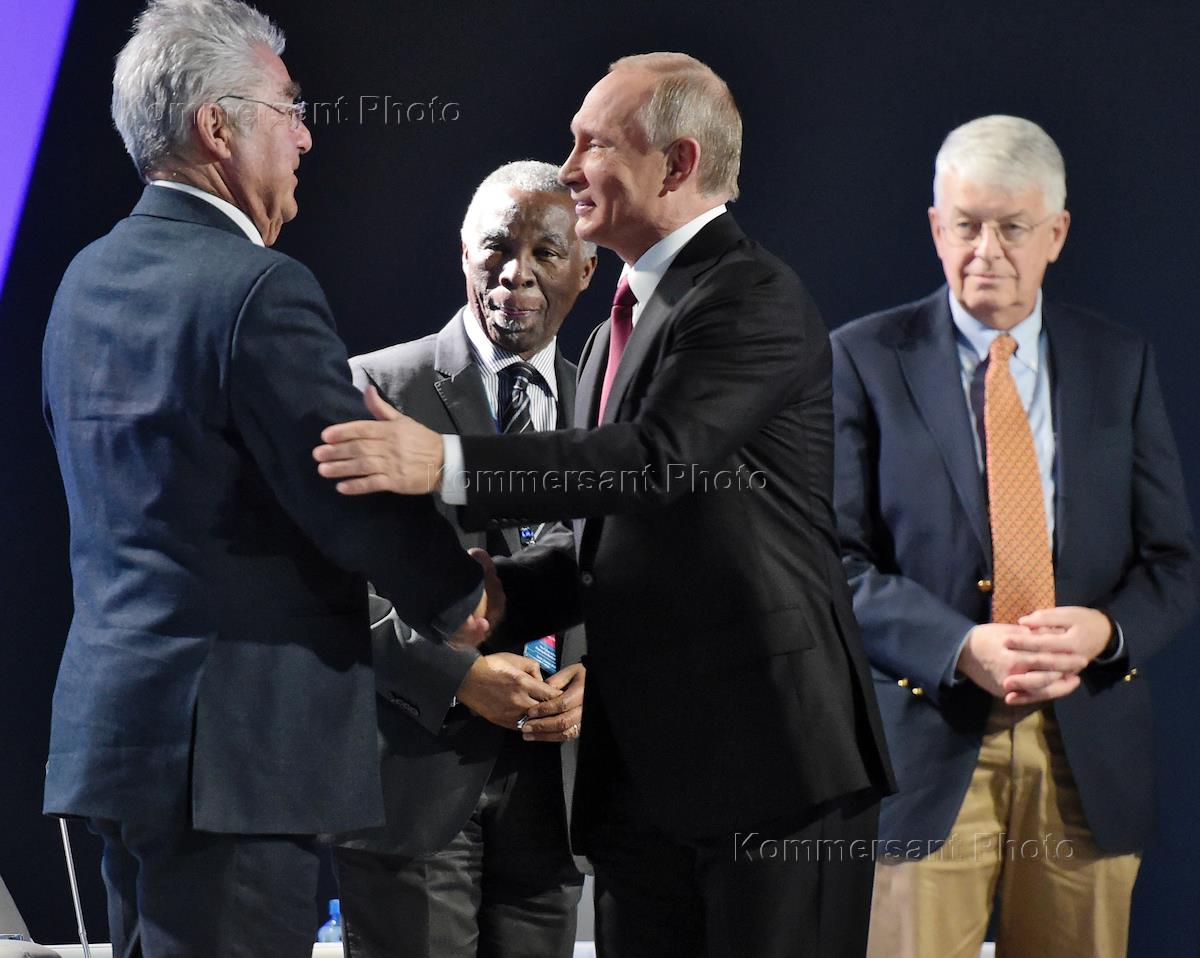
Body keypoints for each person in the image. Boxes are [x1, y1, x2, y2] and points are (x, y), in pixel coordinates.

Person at [315, 53, 894, 958]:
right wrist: (506, 593)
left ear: (677, 163)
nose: (571, 167)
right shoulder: (615, 329)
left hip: (769, 769)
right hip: (644, 788)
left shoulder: (750, 297)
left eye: (595, 144)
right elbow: (611, 536)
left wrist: (445, 462)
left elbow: (653, 462)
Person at [40, 1, 493, 955]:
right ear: (218, 127)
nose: (306, 136)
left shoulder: (80, 283)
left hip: (116, 740)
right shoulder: (257, 288)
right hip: (233, 763)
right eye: (288, 109)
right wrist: (461, 598)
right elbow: (344, 487)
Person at [830, 114, 1198, 957]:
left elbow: (1174, 563)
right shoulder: (864, 359)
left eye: (1011, 228)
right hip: (927, 746)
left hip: (1086, 750)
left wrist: (1106, 631)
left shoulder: (1118, 362)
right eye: (966, 226)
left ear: (1056, 234)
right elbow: (832, 563)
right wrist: (960, 646)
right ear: (936, 228)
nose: (985, 251)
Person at [332, 160, 597, 958]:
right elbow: (325, 583)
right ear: (462, 253)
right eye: (497, 248)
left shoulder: (608, 411)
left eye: (546, 252)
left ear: (587, 269)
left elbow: (632, 572)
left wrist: (597, 678)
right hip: (414, 777)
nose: (517, 273)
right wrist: (458, 675)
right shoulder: (375, 386)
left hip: (555, 794)